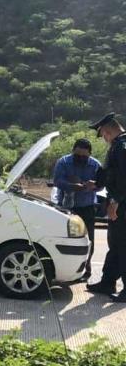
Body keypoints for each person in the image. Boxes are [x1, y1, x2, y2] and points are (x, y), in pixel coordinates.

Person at [86, 113, 126, 302]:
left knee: (123, 246)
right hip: (117, 202)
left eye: (103, 135)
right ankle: (107, 281)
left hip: (122, 204)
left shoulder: (122, 147)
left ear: (108, 131)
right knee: (116, 245)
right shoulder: (118, 146)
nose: (104, 139)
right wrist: (97, 184)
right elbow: (112, 174)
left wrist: (116, 202)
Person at [52, 138, 100, 280]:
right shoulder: (63, 162)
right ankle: (64, 270)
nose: (80, 158)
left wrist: (94, 185)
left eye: (83, 156)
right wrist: (72, 185)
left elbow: (102, 185)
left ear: (89, 154)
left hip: (87, 207)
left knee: (88, 239)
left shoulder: (95, 165)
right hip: (66, 208)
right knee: (64, 239)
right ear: (73, 151)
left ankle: (87, 269)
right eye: (77, 155)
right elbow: (57, 181)